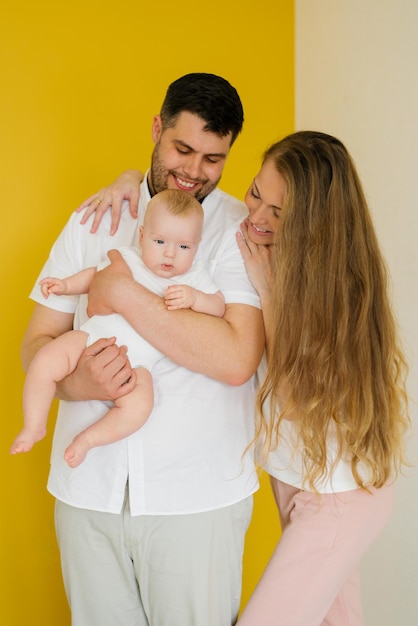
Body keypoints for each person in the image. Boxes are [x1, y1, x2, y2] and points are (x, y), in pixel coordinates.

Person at [22, 73, 264, 626]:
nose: (194, 171)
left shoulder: (238, 231)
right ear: (157, 129)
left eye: (213, 159)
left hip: (195, 498)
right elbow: (36, 342)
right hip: (87, 493)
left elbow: (235, 360)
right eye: (182, 148)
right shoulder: (96, 218)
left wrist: (126, 294)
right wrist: (75, 381)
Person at [232, 131, 410, 625]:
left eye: (278, 213)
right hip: (298, 480)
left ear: (314, 222)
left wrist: (267, 292)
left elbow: (294, 395)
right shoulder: (268, 240)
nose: (256, 218)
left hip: (335, 498)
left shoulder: (338, 291)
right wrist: (127, 183)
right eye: (255, 193)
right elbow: (187, 208)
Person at [11, 189, 225, 467]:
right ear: (142, 236)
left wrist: (196, 298)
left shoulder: (195, 277)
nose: (170, 254)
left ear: (197, 246)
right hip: (89, 340)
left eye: (184, 247)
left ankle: (88, 439)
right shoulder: (128, 258)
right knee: (44, 360)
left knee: (139, 407)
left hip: (138, 365)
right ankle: (34, 424)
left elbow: (218, 306)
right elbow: (93, 277)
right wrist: (65, 286)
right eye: (159, 241)